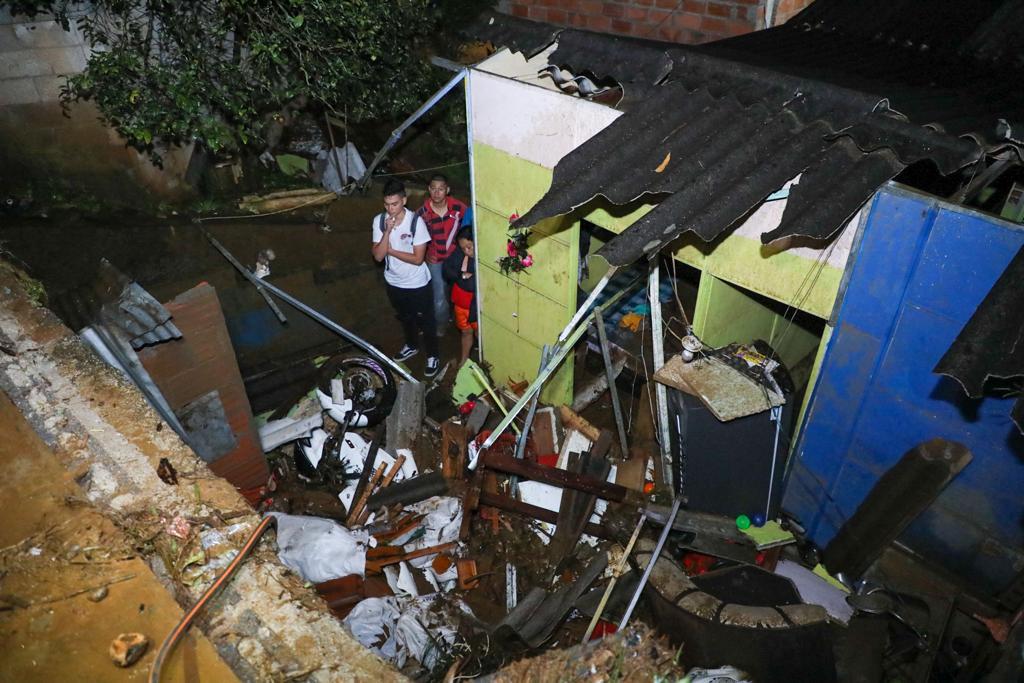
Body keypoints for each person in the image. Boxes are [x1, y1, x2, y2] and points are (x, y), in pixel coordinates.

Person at [372, 179, 439, 377]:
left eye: (395, 204)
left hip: (418, 282)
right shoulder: (379, 221)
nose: (390, 209)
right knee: (405, 316)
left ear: (404, 201)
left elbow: (418, 259)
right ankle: (411, 345)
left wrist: (390, 250)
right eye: (387, 204)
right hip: (394, 281)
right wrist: (388, 231)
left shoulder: (416, 223)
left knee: (426, 320)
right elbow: (377, 256)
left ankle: (433, 355)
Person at [417, 174, 470, 336]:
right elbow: (416, 237)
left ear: (447, 190)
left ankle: (462, 322)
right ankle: (440, 326)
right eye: (433, 189)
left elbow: (469, 227)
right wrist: (424, 253)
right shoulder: (422, 213)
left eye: (441, 189)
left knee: (460, 290)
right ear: (429, 190)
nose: (437, 193)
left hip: (457, 258)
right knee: (439, 296)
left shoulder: (459, 208)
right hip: (435, 260)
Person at [442, 226, 478, 368]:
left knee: (478, 334)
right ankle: (464, 360)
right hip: (461, 306)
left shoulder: (483, 259)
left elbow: (472, 285)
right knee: (465, 332)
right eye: (463, 248)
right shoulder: (459, 254)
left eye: (469, 247)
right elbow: (446, 270)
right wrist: (462, 276)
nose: (466, 251)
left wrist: (464, 278)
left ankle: (481, 361)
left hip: (475, 308)